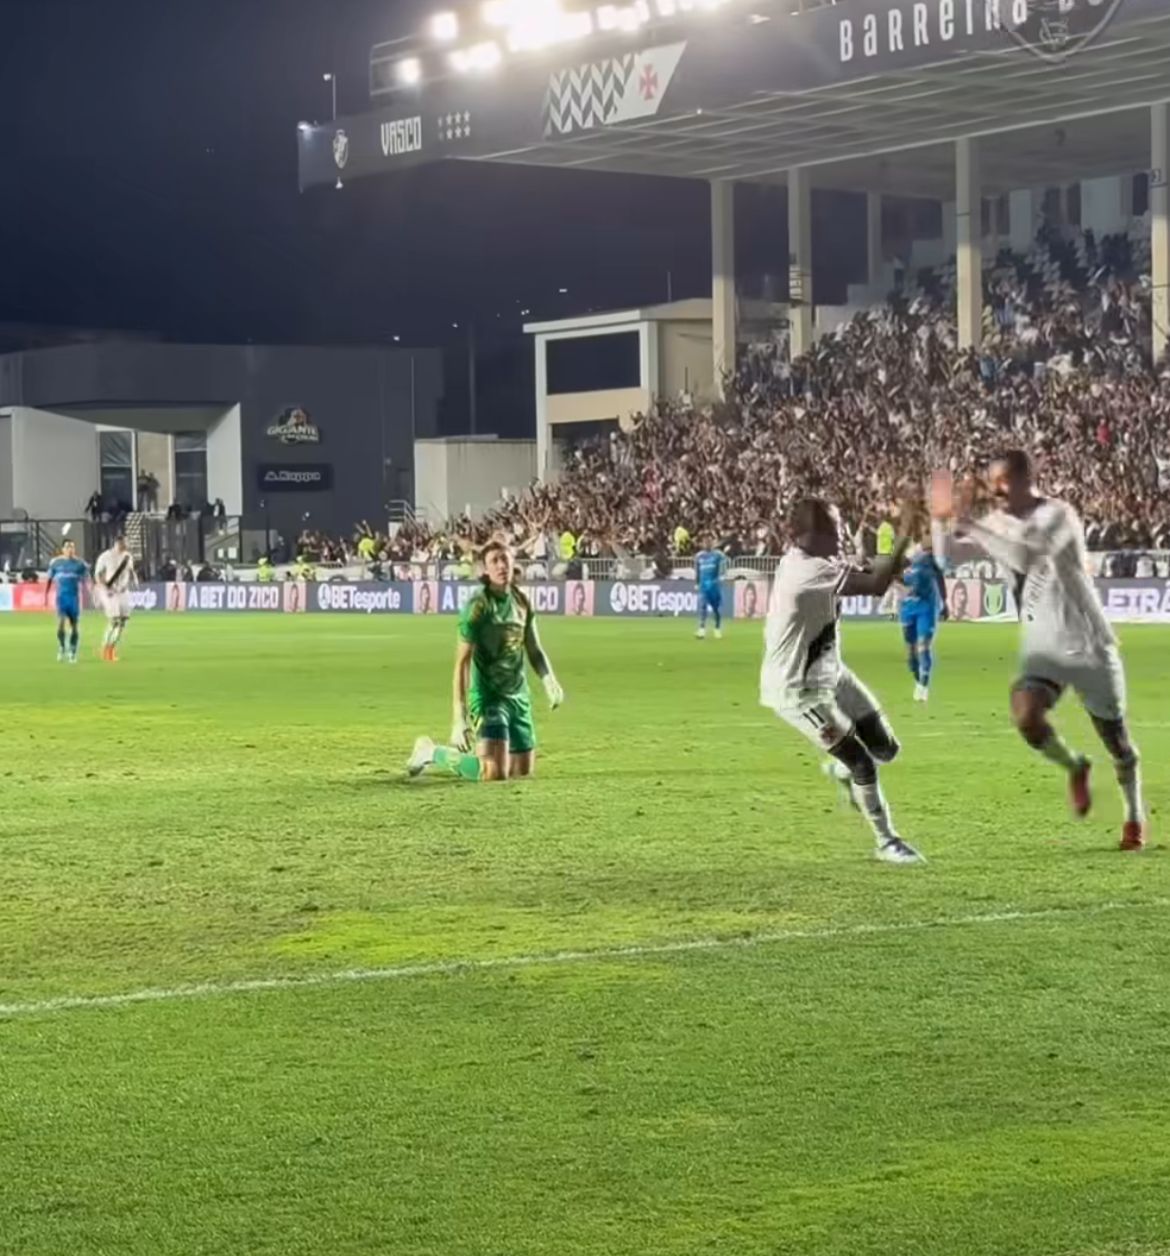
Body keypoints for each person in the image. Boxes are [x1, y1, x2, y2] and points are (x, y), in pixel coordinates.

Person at [932, 451, 1145, 851]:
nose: (996, 490)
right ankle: (1074, 766)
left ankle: (1134, 813)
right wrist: (940, 519)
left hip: (1087, 641)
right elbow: (948, 558)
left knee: (1117, 742)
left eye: (1002, 481)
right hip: (1044, 644)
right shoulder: (994, 522)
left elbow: (1027, 555)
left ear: (1023, 479)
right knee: (1027, 716)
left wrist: (971, 524)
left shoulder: (1058, 515)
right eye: (993, 482)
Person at [759, 496, 924, 864]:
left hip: (832, 673)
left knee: (887, 750)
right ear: (807, 536)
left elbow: (872, 570)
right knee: (863, 763)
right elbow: (876, 584)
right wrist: (905, 532)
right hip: (798, 690)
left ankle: (841, 769)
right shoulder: (807, 572)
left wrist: (899, 561)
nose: (841, 533)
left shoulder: (816, 560)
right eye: (833, 528)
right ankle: (886, 841)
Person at [408, 541, 564, 783]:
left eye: (505, 559)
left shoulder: (522, 602)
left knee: (521, 771)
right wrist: (458, 718)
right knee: (493, 773)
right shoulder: (477, 607)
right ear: (485, 570)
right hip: (489, 698)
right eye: (494, 561)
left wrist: (549, 680)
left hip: (518, 697)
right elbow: (462, 663)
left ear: (513, 563)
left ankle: (466, 755)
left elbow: (534, 650)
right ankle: (430, 752)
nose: (501, 565)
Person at [900, 538, 948, 702]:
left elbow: (940, 575)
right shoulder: (904, 555)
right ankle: (918, 681)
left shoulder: (931, 557)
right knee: (910, 656)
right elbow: (897, 577)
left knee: (923, 646)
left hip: (927, 607)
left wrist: (945, 601)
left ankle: (923, 686)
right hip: (908, 608)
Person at [93, 535, 137, 662]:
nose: (126, 545)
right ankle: (105, 648)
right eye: (124, 543)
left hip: (123, 591)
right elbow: (98, 574)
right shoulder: (105, 556)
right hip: (110, 592)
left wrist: (132, 581)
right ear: (117, 543)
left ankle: (112, 648)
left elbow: (129, 571)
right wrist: (105, 587)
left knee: (123, 622)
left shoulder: (128, 557)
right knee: (114, 621)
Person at [45, 539, 89, 663]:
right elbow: (49, 579)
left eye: (72, 547)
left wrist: (91, 594)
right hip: (61, 598)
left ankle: (73, 651)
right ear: (63, 549)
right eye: (68, 547)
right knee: (60, 624)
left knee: (74, 626)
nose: (70, 549)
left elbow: (86, 581)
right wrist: (46, 595)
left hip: (74, 598)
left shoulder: (80, 564)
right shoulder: (55, 563)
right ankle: (62, 647)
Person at [693, 536, 727, 640]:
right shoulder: (699, 556)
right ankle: (702, 629)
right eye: (705, 542)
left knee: (715, 609)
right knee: (703, 607)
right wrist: (697, 582)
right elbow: (697, 571)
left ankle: (717, 629)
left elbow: (724, 565)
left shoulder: (718, 555)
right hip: (703, 586)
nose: (707, 544)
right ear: (702, 544)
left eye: (709, 542)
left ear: (712, 544)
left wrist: (722, 576)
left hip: (714, 586)